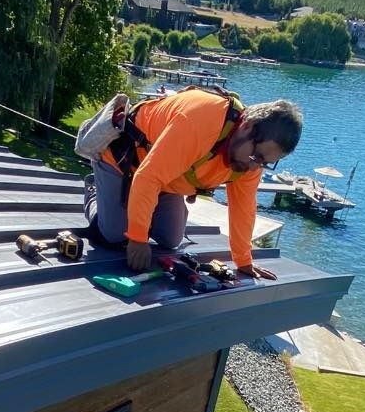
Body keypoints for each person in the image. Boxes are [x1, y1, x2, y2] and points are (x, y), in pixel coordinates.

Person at [84, 89, 303, 280]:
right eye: (257, 157)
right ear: (247, 127)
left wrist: (243, 260)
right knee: (114, 235)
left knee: (170, 240)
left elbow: (243, 209)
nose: (256, 168)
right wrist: (138, 238)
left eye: (266, 163)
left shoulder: (249, 162)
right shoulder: (201, 121)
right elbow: (148, 176)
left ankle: (139, 204)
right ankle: (95, 191)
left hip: (166, 178)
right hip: (122, 162)